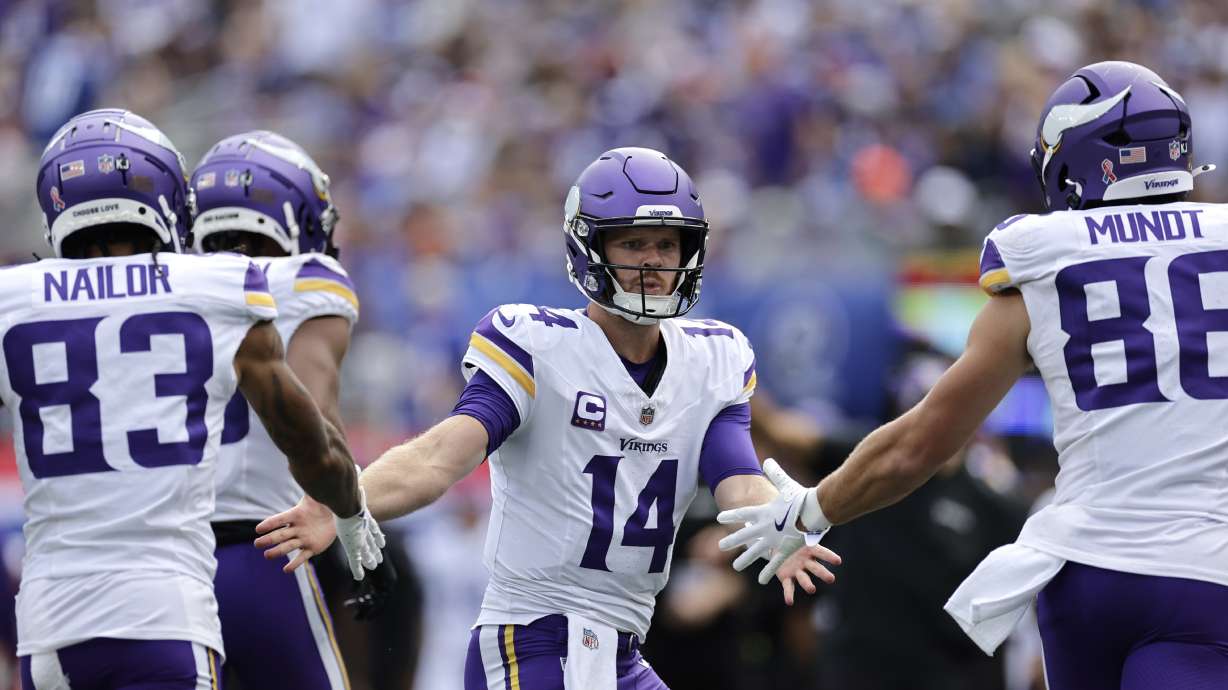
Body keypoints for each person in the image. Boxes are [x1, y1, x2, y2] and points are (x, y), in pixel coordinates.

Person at [718, 61, 1228, 689]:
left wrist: (809, 510)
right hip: (1207, 572)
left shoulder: (1041, 258)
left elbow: (919, 445)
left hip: (1089, 575)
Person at [254, 146, 840, 690]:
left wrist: (777, 519)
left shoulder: (714, 357)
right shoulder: (539, 345)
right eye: (633, 244)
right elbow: (442, 456)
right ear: (590, 247)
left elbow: (736, 474)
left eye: (667, 245)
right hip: (533, 639)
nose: (654, 263)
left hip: (621, 652)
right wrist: (345, 500)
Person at [7, 109, 383, 689]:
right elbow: (314, 429)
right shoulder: (225, 286)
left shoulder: (15, 297)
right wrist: (351, 512)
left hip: (49, 616)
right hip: (214, 575)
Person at [189, 130, 362, 690]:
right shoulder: (305, 281)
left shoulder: (160, 288)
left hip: (156, 559)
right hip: (263, 550)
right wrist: (354, 516)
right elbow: (316, 425)